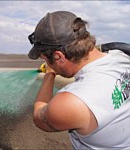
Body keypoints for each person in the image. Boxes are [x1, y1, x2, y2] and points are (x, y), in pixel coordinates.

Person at [28, 11, 130, 149]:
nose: (47, 63)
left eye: (45, 59)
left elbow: (39, 117)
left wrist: (49, 75)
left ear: (59, 56)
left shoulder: (72, 101)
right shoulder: (121, 56)